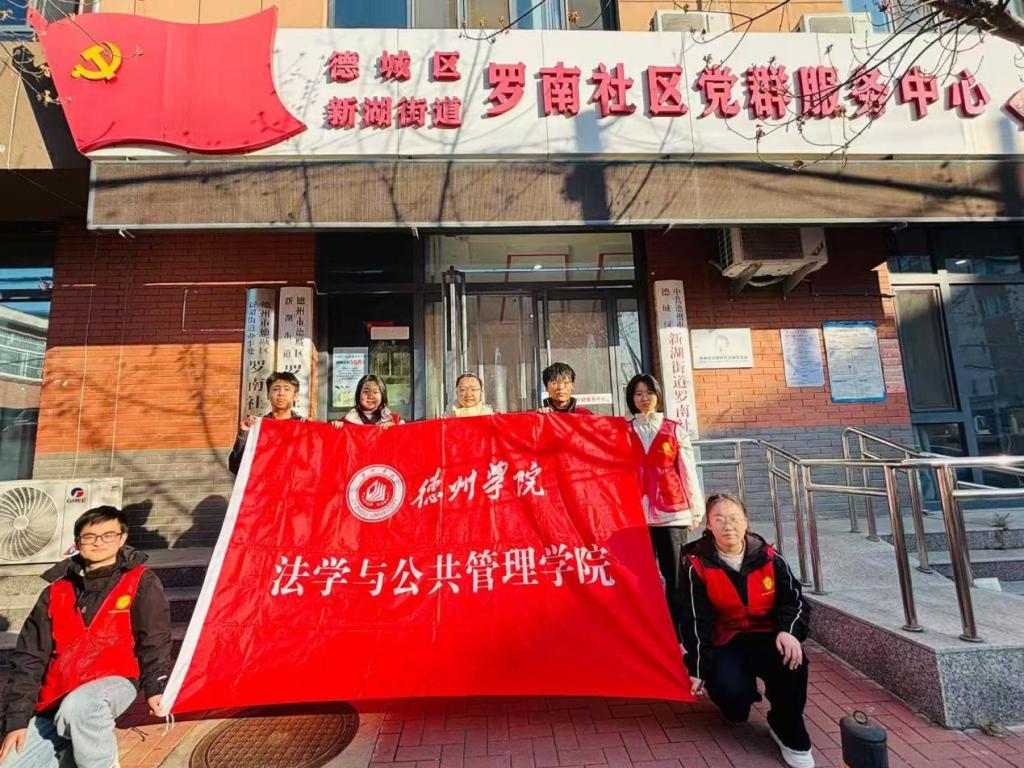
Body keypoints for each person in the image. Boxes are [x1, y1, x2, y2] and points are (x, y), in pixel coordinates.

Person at [0, 506, 172, 768]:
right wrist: (16, 720)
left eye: (108, 535)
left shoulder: (140, 581)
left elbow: (154, 638)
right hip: (56, 696)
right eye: (90, 536)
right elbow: (29, 657)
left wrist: (156, 685)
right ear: (77, 541)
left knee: (81, 707)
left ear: (122, 538)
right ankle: (74, 750)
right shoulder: (55, 591)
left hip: (115, 681)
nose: (99, 542)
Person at [680, 493, 813, 768]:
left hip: (768, 635)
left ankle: (785, 726)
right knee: (733, 699)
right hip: (727, 639)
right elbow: (695, 619)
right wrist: (698, 667)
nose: (728, 526)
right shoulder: (696, 564)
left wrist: (788, 631)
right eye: (719, 519)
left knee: (794, 663)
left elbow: (794, 601)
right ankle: (736, 703)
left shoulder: (769, 557)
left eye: (734, 518)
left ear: (745, 521)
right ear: (708, 525)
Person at [625, 373, 704, 640]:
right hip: (636, 515)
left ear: (657, 395)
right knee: (640, 577)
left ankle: (679, 634)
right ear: (631, 398)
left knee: (676, 577)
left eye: (649, 392)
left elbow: (687, 470)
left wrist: (695, 510)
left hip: (673, 512)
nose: (644, 398)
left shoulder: (674, 429)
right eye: (638, 394)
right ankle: (649, 633)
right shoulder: (623, 431)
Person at [228, 371, 303, 475]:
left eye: (287, 389)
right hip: (265, 484)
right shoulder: (257, 427)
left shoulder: (303, 427)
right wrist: (244, 434)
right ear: (268, 394)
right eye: (276, 389)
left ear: (295, 396)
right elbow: (235, 467)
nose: (281, 393)